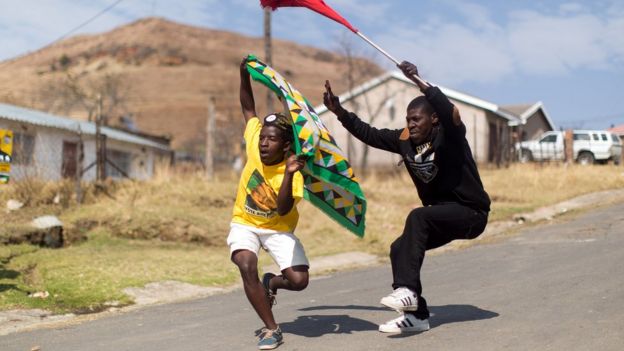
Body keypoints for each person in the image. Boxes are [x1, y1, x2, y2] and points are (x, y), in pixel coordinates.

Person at [323, 61, 490, 333]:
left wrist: (418, 81)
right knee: (399, 248)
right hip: (441, 215)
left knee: (418, 216)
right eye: (408, 119)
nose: (410, 124)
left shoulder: (451, 135)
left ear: (433, 119)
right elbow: (369, 134)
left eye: (416, 119)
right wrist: (339, 111)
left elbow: (449, 111)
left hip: (471, 213)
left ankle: (407, 291)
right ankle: (417, 315)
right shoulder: (404, 141)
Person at [227, 58, 310, 350]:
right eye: (262, 137)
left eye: (271, 140)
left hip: (277, 229)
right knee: (245, 263)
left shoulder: (292, 172)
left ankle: (271, 284)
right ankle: (271, 328)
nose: (263, 143)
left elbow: (284, 209)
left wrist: (288, 174)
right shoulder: (253, 143)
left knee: (299, 281)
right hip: (245, 223)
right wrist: (243, 76)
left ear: (285, 145)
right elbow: (248, 108)